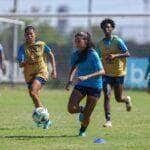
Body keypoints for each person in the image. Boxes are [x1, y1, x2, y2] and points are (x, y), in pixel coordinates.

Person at [17, 25, 57, 129]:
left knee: (33, 92)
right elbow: (20, 64)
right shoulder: (22, 47)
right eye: (27, 34)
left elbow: (51, 55)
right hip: (29, 75)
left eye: (31, 34)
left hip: (41, 72)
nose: (29, 36)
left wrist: (54, 70)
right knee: (34, 96)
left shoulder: (41, 44)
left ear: (35, 34)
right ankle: (42, 118)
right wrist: (25, 62)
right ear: (25, 36)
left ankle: (45, 119)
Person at [66, 32, 105, 136]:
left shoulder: (93, 54)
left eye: (79, 41)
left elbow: (102, 71)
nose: (76, 43)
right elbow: (73, 67)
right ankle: (83, 110)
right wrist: (69, 80)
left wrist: (87, 76)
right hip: (82, 85)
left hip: (95, 86)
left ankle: (82, 130)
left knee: (87, 116)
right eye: (75, 41)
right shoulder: (75, 54)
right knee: (71, 108)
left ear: (86, 42)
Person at [96, 18, 132, 128]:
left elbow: (127, 53)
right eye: (105, 27)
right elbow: (97, 57)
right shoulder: (100, 44)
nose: (107, 29)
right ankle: (108, 120)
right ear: (102, 29)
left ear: (112, 28)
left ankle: (126, 100)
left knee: (118, 98)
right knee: (106, 95)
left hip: (119, 73)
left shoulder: (118, 41)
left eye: (109, 27)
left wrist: (115, 56)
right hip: (106, 74)